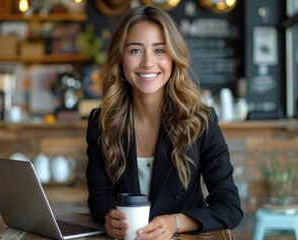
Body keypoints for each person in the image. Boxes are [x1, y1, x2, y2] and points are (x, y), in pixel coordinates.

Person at [85, 5, 243, 240]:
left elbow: (230, 207)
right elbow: (99, 194)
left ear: (173, 58)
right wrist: (108, 215)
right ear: (120, 59)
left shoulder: (200, 121)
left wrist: (175, 222)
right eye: (135, 51)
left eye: (159, 50)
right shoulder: (102, 122)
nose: (148, 63)